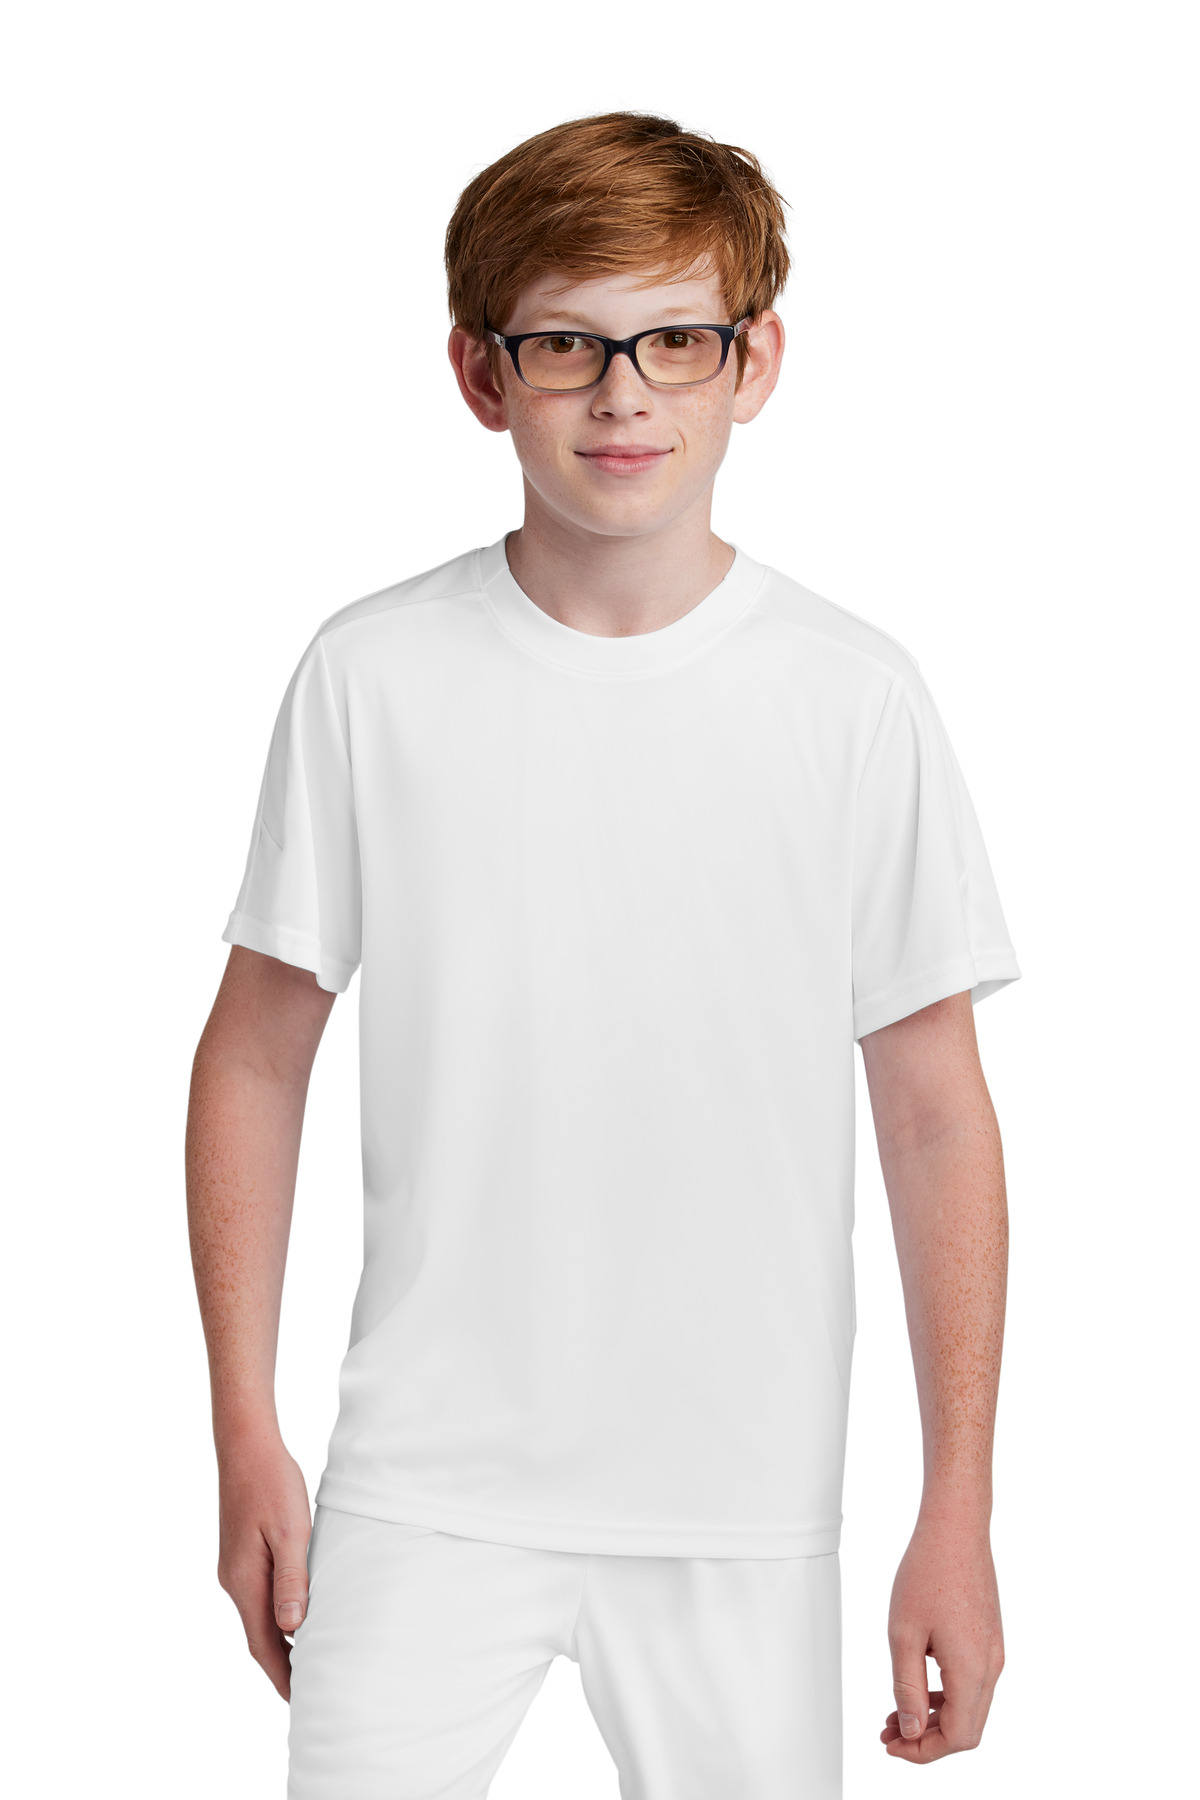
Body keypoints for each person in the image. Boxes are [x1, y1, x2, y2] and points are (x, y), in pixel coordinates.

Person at [186, 111, 1020, 1799]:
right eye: (567, 344)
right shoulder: (374, 674)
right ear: (481, 374)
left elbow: (936, 1113)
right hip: (423, 1485)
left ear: (753, 360)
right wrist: (245, 1433)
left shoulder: (852, 699)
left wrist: (958, 1510)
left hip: (739, 1499)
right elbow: (255, 1056)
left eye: (674, 340)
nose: (624, 395)